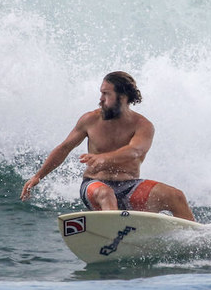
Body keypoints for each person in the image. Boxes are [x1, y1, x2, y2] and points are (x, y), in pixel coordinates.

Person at [20, 71, 195, 221]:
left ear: (123, 97)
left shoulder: (143, 125)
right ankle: (113, 234)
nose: (101, 99)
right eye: (101, 93)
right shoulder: (90, 120)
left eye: (106, 94)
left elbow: (135, 151)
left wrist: (104, 157)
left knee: (176, 195)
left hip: (130, 187)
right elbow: (65, 147)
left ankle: (196, 239)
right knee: (106, 194)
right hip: (94, 185)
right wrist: (38, 176)